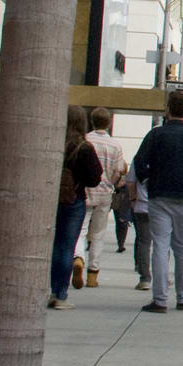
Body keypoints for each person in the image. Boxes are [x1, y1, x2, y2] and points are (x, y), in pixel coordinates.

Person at [133, 87, 183, 313]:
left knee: (160, 245)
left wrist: (148, 181)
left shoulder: (155, 135)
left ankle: (159, 299)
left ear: (167, 109)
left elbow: (140, 162)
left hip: (159, 196)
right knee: (182, 247)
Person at [50, 108, 102, 311]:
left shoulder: (55, 142)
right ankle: (60, 294)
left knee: (55, 245)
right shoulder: (83, 147)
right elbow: (94, 177)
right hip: (74, 198)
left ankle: (52, 289)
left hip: (52, 199)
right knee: (66, 246)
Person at [73, 107, 127, 289]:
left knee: (81, 229)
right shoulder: (115, 145)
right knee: (98, 234)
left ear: (92, 121)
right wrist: (111, 184)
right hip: (104, 192)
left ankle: (78, 257)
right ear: (109, 122)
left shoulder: (85, 139)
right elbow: (119, 171)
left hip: (85, 190)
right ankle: (92, 274)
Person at [127, 158, 152, 291]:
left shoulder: (139, 158)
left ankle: (145, 278)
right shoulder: (167, 154)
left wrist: (133, 198)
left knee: (144, 242)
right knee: (162, 243)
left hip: (142, 204)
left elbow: (130, 181)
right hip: (161, 205)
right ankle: (163, 275)